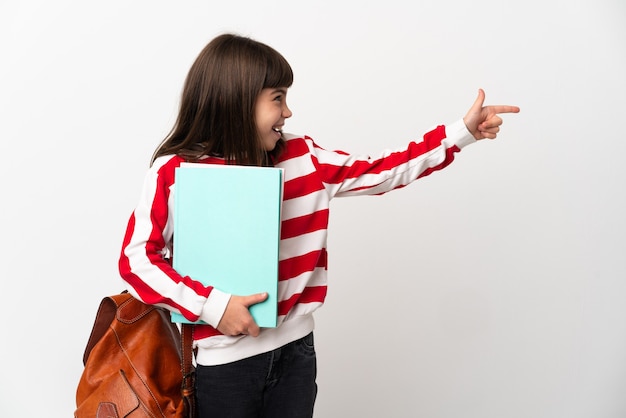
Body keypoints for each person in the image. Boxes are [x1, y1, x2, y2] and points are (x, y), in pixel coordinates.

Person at [118, 33, 520, 417]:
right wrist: (214, 306)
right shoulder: (176, 172)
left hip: (296, 354)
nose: (288, 112)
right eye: (278, 99)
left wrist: (460, 134)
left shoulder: (301, 155)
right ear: (237, 102)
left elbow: (382, 170)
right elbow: (138, 260)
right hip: (224, 366)